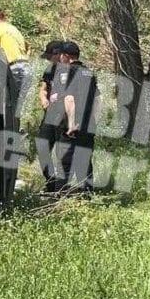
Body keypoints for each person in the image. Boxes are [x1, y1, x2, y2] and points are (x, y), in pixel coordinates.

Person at [54, 41, 99, 193]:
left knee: (65, 164)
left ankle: (58, 199)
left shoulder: (66, 73)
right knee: (85, 162)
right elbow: (98, 99)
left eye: (61, 55)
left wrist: (72, 124)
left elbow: (69, 99)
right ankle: (88, 195)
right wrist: (92, 120)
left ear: (66, 56)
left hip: (71, 127)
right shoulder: (89, 72)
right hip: (88, 126)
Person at [0, 5, 30, 113]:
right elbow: (28, 47)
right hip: (26, 68)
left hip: (14, 68)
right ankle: (15, 128)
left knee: (6, 104)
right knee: (17, 107)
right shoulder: (13, 29)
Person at [36, 40, 67, 192]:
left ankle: (62, 188)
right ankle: (51, 184)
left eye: (50, 56)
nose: (48, 60)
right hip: (50, 115)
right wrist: (43, 99)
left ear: (58, 54)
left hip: (65, 117)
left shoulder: (72, 70)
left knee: (63, 153)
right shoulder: (50, 70)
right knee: (42, 147)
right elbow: (43, 88)